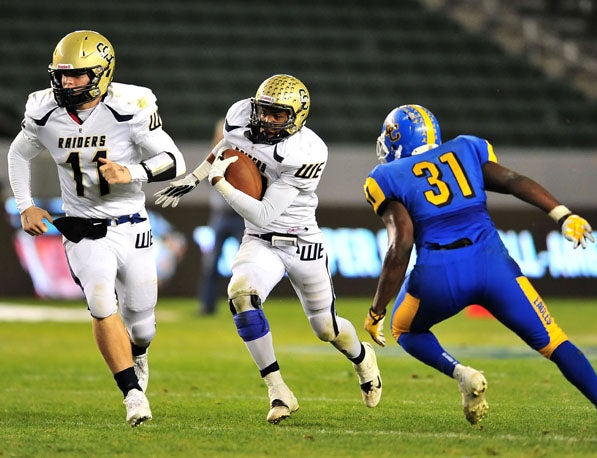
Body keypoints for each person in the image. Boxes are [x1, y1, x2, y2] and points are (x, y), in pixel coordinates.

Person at [362, 104, 597, 436]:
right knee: (555, 342)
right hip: (492, 264)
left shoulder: (385, 177)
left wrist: (376, 309)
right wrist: (562, 214)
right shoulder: (467, 147)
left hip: (441, 272)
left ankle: (460, 373)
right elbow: (513, 180)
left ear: (398, 138)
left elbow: (402, 244)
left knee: (404, 329)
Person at [154, 74, 382, 423]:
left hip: (301, 241)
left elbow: (264, 212)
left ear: (297, 117)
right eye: (264, 111)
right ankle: (278, 390)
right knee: (241, 293)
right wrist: (195, 176)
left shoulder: (307, 150)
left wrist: (218, 184)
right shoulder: (240, 115)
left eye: (278, 115)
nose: (267, 120)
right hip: (260, 241)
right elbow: (225, 149)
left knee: (326, 328)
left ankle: (362, 358)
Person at [7, 30, 187, 427]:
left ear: (103, 74)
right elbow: (19, 152)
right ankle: (132, 394)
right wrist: (26, 205)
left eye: (77, 75)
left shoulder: (131, 104)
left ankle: (138, 354)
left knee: (142, 323)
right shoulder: (43, 109)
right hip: (83, 227)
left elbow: (174, 161)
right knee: (102, 301)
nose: (66, 83)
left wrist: (133, 171)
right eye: (61, 75)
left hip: (133, 225)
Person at [198, 119, 245, 315]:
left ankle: (247, 306)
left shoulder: (242, 158)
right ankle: (207, 306)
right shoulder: (213, 157)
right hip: (220, 216)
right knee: (210, 263)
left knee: (245, 263)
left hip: (240, 217)